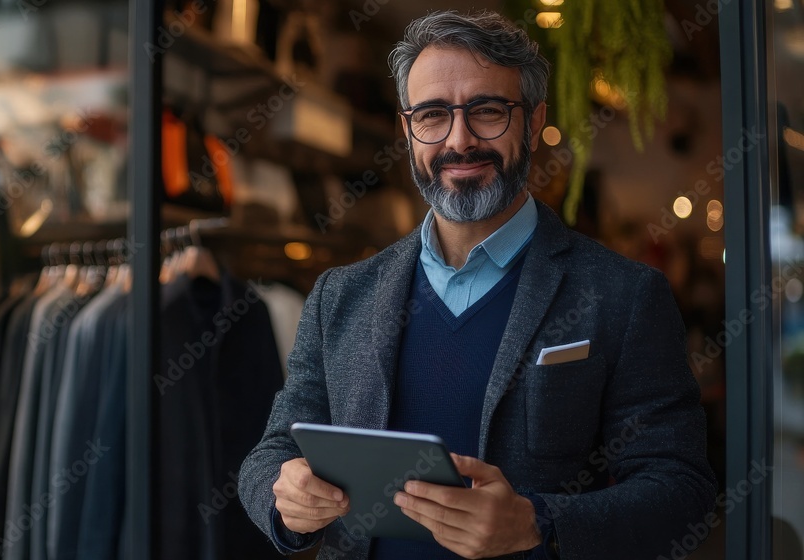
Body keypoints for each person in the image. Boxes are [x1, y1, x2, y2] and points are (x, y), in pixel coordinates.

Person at [238, 10, 716, 560]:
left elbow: (683, 490)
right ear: (407, 129)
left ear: (534, 123)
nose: (459, 141)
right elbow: (271, 453)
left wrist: (540, 523)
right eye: (434, 115)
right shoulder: (339, 296)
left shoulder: (623, 296)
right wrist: (286, 501)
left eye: (487, 111)